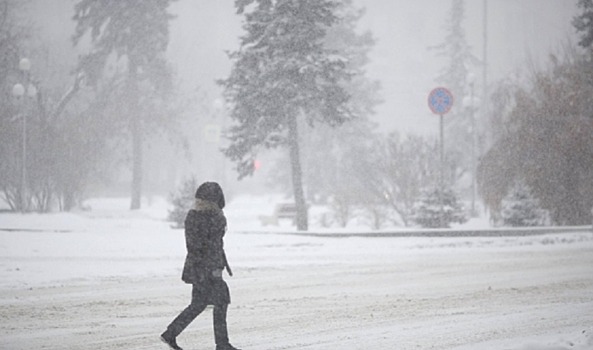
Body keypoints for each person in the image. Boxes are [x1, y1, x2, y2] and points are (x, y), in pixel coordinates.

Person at [161, 182, 241, 350]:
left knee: (198, 304)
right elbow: (214, 246)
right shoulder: (215, 217)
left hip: (197, 267)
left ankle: (171, 333)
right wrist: (215, 268)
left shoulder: (193, 216)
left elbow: (195, 245)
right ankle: (222, 344)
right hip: (209, 268)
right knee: (221, 300)